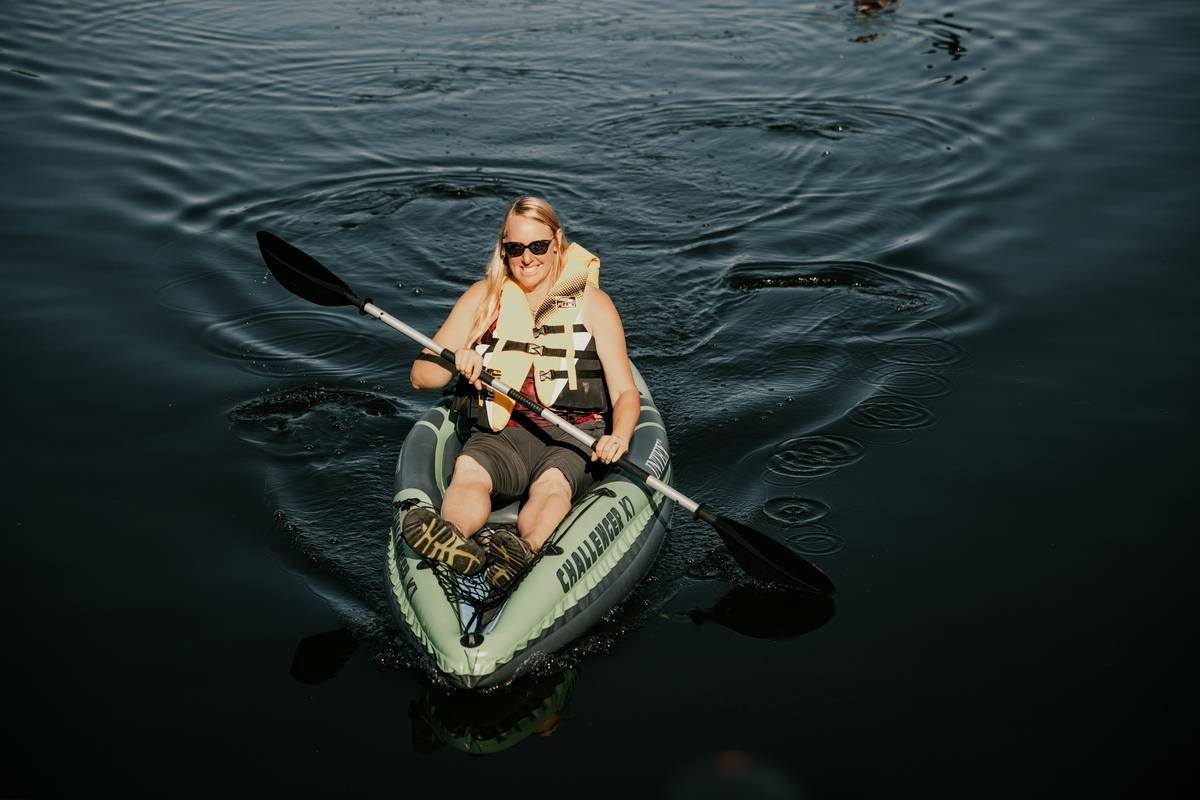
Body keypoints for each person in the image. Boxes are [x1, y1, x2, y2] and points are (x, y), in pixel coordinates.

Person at [404, 196, 639, 591]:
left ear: (557, 242)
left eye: (538, 246)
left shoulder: (593, 304)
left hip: (571, 435)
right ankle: (452, 538)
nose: (527, 258)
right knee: (469, 473)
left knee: (552, 485)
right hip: (501, 431)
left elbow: (625, 393)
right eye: (516, 249)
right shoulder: (482, 299)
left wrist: (621, 436)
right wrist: (455, 360)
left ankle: (521, 552)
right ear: (504, 249)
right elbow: (420, 376)